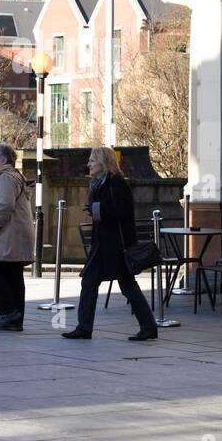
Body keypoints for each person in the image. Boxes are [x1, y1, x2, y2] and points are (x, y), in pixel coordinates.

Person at [62, 146, 159, 341]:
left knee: (127, 285)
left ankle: (149, 327)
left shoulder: (116, 182)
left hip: (116, 245)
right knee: (89, 282)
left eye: (92, 160)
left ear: (103, 162)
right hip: (101, 244)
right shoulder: (99, 183)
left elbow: (123, 210)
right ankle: (84, 327)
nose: (88, 164)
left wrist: (97, 209)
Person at [0, 143, 35, 331]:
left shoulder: (5, 178)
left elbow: (3, 207)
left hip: (7, 236)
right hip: (15, 235)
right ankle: (15, 320)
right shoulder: (11, 176)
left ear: (3, 160)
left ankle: (10, 313)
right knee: (13, 276)